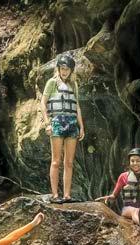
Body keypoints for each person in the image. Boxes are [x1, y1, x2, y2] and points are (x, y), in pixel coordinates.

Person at [40, 53, 85, 204]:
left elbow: (77, 106)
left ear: (71, 70)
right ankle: (55, 195)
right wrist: (47, 123)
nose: (64, 71)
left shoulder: (74, 85)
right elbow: (43, 103)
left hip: (72, 123)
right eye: (62, 68)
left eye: (67, 69)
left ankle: (67, 195)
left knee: (69, 162)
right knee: (56, 161)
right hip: (57, 122)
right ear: (58, 69)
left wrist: (81, 126)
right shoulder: (52, 83)